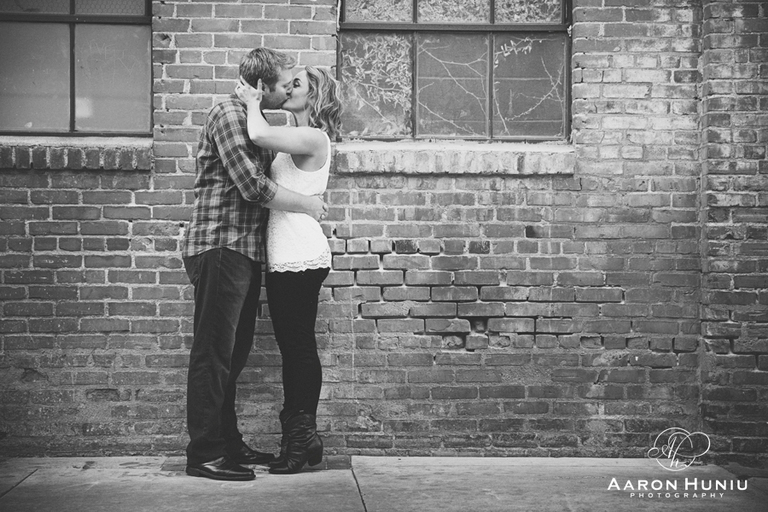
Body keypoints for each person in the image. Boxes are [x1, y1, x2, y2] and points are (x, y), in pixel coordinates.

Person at [182, 48, 328, 482]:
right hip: (220, 244)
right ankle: (205, 453)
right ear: (263, 86)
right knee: (214, 353)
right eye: (284, 85)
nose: (287, 92)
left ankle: (227, 442)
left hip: (245, 251)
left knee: (235, 352)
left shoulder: (265, 122)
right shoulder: (228, 114)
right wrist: (309, 204)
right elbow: (251, 185)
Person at [234, 64, 341, 474]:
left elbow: (258, 133)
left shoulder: (313, 137)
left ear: (313, 97)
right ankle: (302, 440)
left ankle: (301, 441)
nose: (288, 88)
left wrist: (251, 101)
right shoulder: (294, 138)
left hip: (299, 254)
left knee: (297, 349)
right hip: (286, 255)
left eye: (297, 84)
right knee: (293, 348)